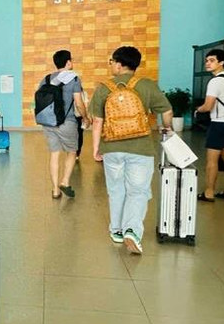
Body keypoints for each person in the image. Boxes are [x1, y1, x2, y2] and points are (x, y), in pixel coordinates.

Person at [90, 46, 173, 254]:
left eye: (111, 62)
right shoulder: (146, 85)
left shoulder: (104, 88)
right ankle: (132, 231)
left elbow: (97, 121)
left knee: (116, 190)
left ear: (119, 64)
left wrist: (96, 148)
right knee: (138, 191)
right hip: (141, 147)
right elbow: (167, 110)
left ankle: (116, 230)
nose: (111, 66)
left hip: (112, 147)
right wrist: (167, 127)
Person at [40, 50, 90, 199]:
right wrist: (86, 117)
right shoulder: (74, 79)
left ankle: (55, 190)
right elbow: (79, 102)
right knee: (72, 151)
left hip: (49, 122)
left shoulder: (46, 78)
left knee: (54, 154)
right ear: (68, 62)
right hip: (67, 122)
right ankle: (65, 182)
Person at [195, 49, 224, 202]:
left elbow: (208, 106)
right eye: (207, 60)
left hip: (219, 124)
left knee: (212, 160)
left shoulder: (215, 81)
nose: (207, 63)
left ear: (221, 62)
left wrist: (198, 109)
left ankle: (209, 192)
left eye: (212, 60)